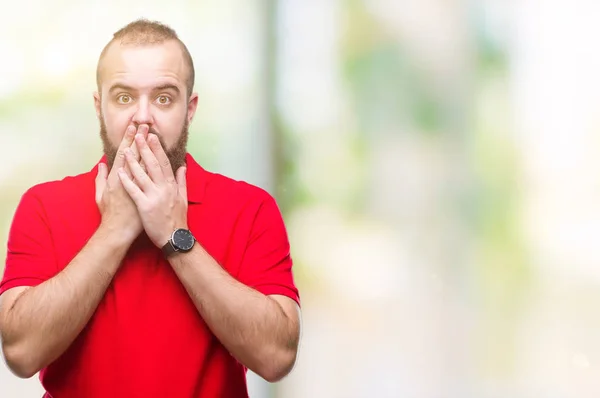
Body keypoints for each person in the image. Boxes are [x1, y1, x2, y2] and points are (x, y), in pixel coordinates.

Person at [0, 19, 301, 398]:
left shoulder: (251, 208)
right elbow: (20, 354)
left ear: (189, 109)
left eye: (163, 98)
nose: (142, 116)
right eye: (124, 97)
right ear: (99, 107)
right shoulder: (43, 206)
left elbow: (277, 357)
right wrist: (114, 230)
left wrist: (175, 235)